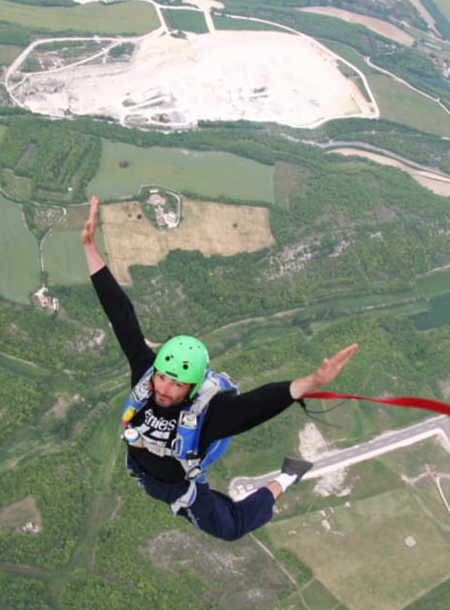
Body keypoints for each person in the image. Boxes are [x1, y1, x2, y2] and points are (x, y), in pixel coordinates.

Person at [81, 196, 357, 541]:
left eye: (177, 385)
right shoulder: (146, 374)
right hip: (145, 470)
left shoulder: (208, 415)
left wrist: (313, 381)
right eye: (163, 377)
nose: (164, 389)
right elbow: (120, 313)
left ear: (193, 389)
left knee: (231, 528)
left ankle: (285, 478)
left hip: (177, 487)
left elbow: (258, 405)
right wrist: (90, 248)